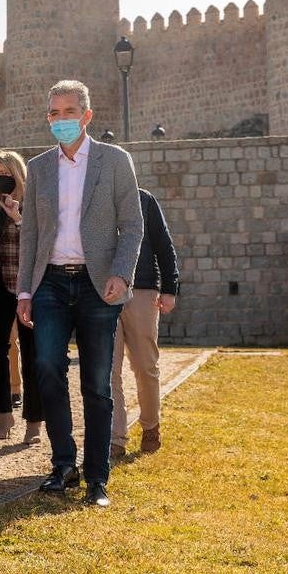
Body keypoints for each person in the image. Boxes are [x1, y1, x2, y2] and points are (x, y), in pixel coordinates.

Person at [16, 80, 143, 508]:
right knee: (48, 366)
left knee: (97, 382)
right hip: (50, 281)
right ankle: (63, 464)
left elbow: (133, 225)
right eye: (54, 113)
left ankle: (97, 478)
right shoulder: (38, 168)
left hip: (97, 284)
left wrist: (122, 274)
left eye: (69, 112)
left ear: (86, 116)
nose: (60, 120)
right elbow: (30, 233)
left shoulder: (114, 161)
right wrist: (24, 292)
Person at [110, 188, 178, 458]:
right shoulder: (92, 196)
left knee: (145, 366)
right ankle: (116, 438)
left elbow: (164, 245)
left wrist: (169, 288)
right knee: (108, 369)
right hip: (104, 293)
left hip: (142, 289)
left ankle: (150, 427)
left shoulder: (144, 200)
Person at [0, 150, 42, 443]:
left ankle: (34, 421)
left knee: (32, 355)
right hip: (0, 287)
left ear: (18, 173)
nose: (2, 179)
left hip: (31, 287)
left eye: (6, 173)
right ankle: (4, 416)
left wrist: (18, 219)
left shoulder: (34, 203)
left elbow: (42, 242)